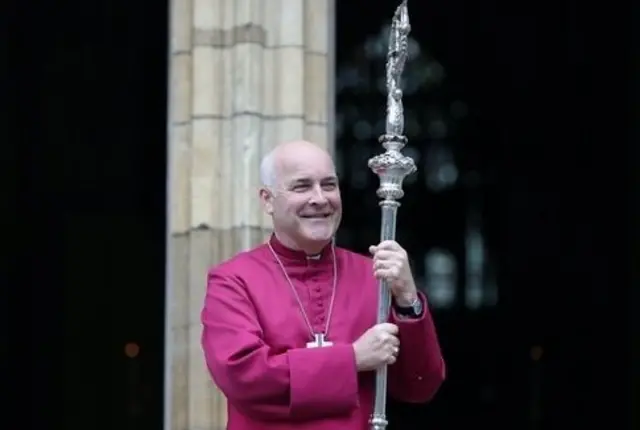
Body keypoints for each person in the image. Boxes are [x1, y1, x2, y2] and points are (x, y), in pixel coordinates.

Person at [201, 140, 445, 430]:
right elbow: (243, 377)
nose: (319, 198)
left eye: (329, 185)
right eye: (302, 186)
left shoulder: (372, 274)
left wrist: (407, 298)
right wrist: (351, 359)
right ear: (267, 200)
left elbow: (420, 386)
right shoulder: (233, 280)